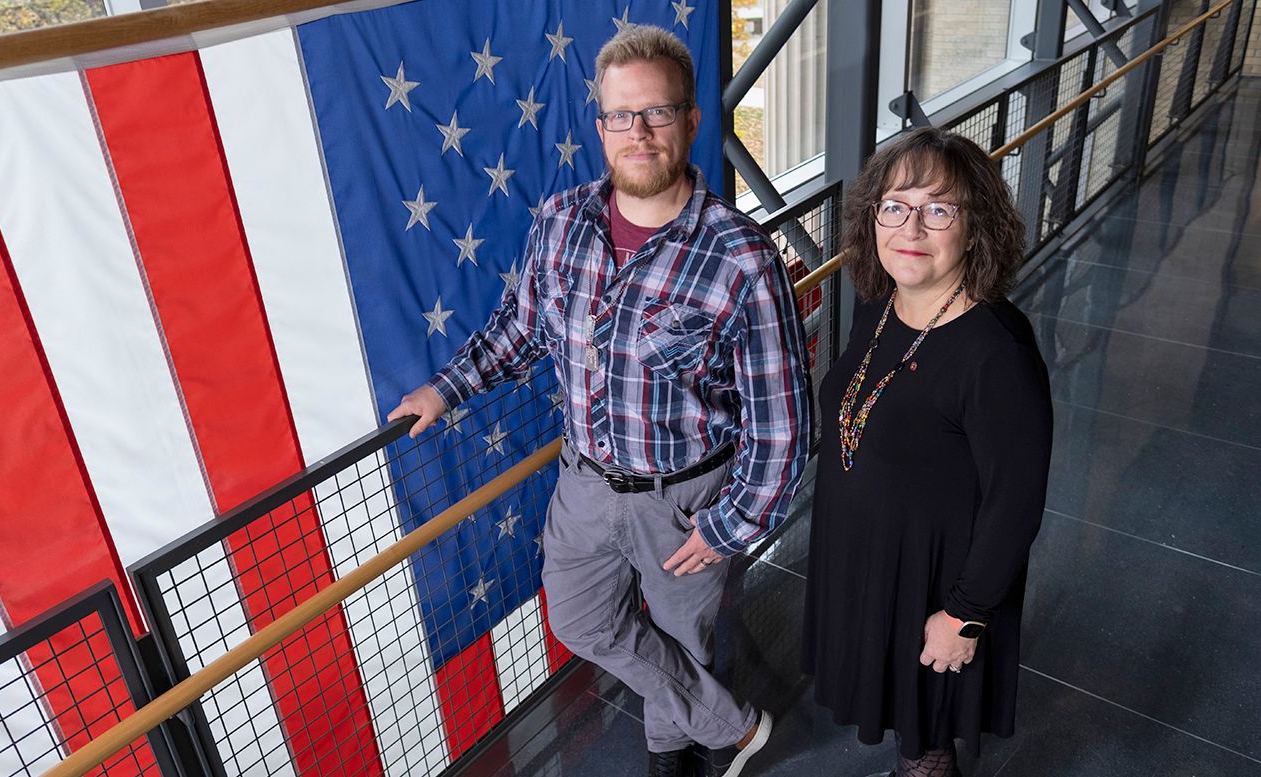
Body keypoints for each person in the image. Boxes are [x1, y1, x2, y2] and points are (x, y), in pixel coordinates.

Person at [388, 24, 811, 777]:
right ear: (600, 125)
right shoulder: (559, 221)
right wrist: (442, 388)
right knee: (581, 619)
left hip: (686, 499)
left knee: (681, 642)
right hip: (583, 484)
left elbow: (781, 428)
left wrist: (729, 524)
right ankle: (732, 724)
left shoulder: (740, 257)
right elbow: (516, 328)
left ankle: (671, 762)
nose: (638, 132)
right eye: (620, 115)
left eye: (657, 112)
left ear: (691, 120)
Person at [798, 126, 1053, 777]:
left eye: (938, 208)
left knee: (927, 729)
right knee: (902, 708)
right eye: (895, 205)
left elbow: (1015, 503)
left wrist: (964, 614)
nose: (911, 225)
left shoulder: (995, 351)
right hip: (872, 556)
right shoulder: (876, 306)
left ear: (976, 227)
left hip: (935, 578)